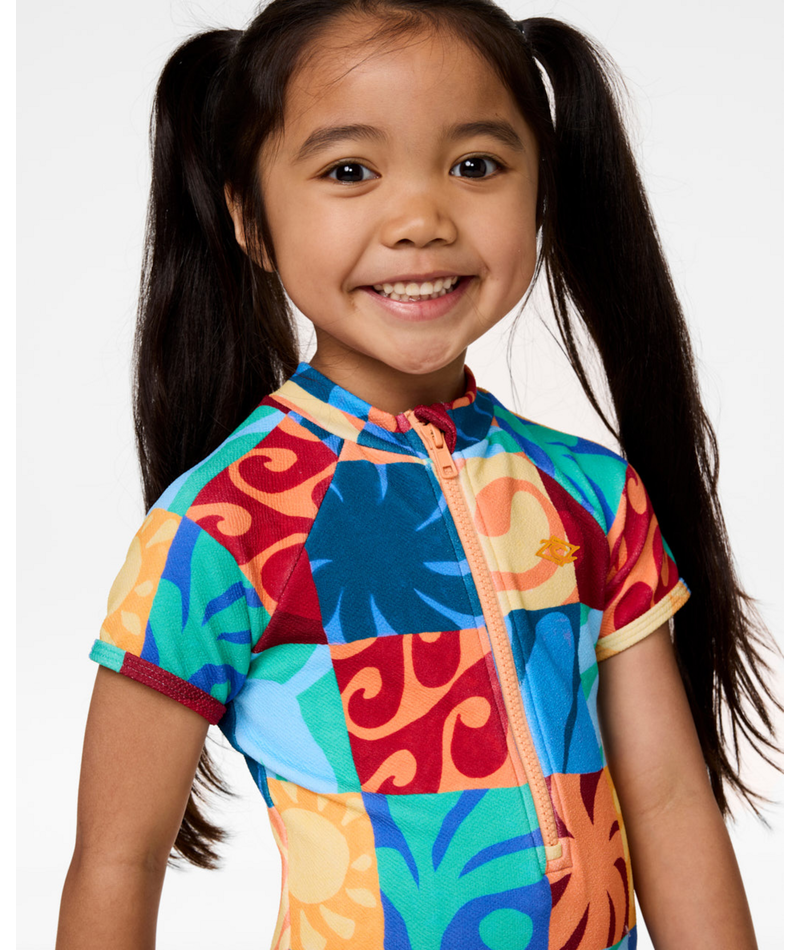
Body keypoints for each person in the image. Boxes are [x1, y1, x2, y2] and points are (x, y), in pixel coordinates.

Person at [55, 1, 781, 947]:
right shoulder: (224, 528)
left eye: (475, 165)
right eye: (349, 171)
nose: (421, 220)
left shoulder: (593, 495)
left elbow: (674, 801)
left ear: (543, 190)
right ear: (251, 219)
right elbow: (118, 860)